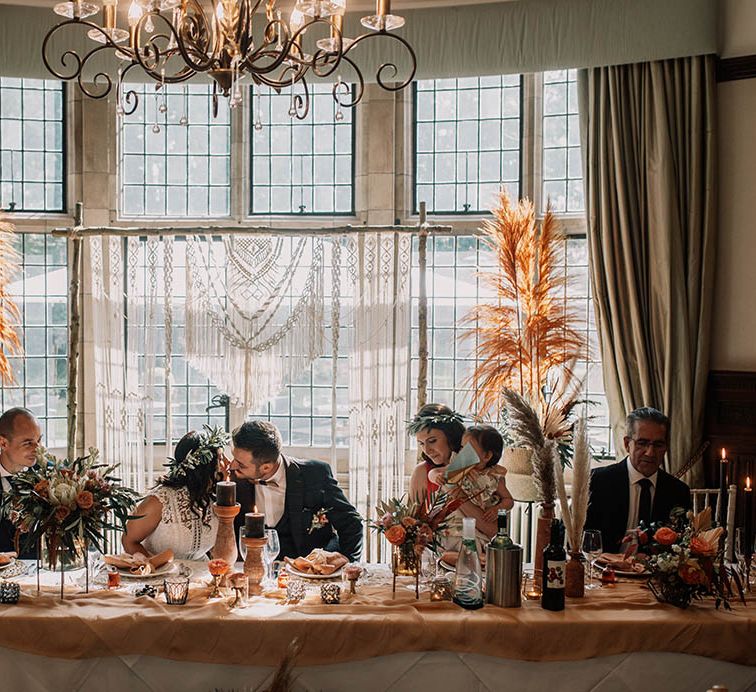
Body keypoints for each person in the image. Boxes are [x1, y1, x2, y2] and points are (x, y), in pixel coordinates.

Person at [230, 419, 362, 563]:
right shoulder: (232, 481)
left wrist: (347, 566)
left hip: (308, 575)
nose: (232, 465)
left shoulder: (315, 475)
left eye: (241, 464)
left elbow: (351, 523)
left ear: (266, 467)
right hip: (253, 571)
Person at [584, 407, 691, 554]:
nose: (650, 452)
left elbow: (681, 547)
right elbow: (579, 540)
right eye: (642, 443)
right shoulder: (597, 482)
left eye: (658, 445)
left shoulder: (678, 491)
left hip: (655, 575)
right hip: (604, 572)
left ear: (666, 448)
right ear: (627, 444)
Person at [122, 428, 227, 561]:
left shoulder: (214, 498)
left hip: (202, 577)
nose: (227, 464)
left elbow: (222, 554)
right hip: (160, 577)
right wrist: (153, 567)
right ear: (206, 468)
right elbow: (128, 540)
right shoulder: (160, 501)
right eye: (221, 459)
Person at [429, 425, 515, 556]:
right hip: (453, 523)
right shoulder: (458, 468)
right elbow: (434, 472)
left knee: (471, 551)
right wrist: (436, 477)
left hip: (477, 527)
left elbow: (508, 500)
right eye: (462, 448)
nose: (463, 453)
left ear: (486, 456)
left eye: (469, 450)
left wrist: (497, 509)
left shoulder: (494, 477)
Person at [0, 407, 42, 557]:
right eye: (28, 443)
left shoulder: (49, 475)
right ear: (3, 443)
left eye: (39, 440)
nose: (37, 449)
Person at [407, 404, 465, 504]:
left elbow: (501, 512)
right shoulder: (422, 472)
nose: (427, 450)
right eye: (421, 443)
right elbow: (411, 518)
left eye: (432, 441)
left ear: (451, 436)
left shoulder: (479, 466)